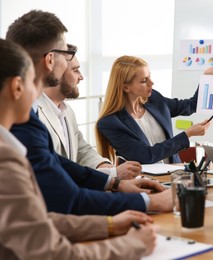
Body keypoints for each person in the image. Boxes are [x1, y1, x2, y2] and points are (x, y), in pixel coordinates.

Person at [0, 38, 157, 260]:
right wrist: (130, 245)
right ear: (17, 87)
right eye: (32, 84)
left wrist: (109, 224)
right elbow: (52, 253)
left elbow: (32, 222)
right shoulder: (6, 157)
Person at [7, 10, 172, 215]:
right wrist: (149, 203)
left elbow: (57, 162)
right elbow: (67, 199)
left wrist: (114, 183)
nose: (79, 73)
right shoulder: (23, 119)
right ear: (50, 60)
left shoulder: (29, 112)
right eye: (66, 55)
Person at [96, 56, 213, 164]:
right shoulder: (110, 123)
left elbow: (190, 105)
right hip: (142, 184)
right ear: (125, 87)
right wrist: (187, 134)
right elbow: (147, 156)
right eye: (144, 80)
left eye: (150, 76)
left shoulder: (154, 99)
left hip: (173, 175)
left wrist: (206, 78)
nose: (151, 83)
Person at [38, 44, 141, 179]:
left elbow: (82, 150)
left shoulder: (67, 111)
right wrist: (112, 174)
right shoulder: (35, 113)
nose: (81, 77)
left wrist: (105, 166)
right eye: (75, 70)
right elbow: (53, 167)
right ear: (56, 71)